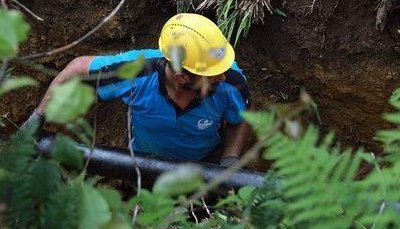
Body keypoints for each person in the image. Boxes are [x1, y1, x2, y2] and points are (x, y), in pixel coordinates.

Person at [22, 13, 252, 167]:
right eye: (212, 75)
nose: (222, 76)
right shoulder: (135, 74)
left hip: (204, 165)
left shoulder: (231, 83)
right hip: (143, 163)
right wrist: (37, 119)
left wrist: (230, 159)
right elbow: (77, 69)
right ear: (182, 77)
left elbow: (241, 117)